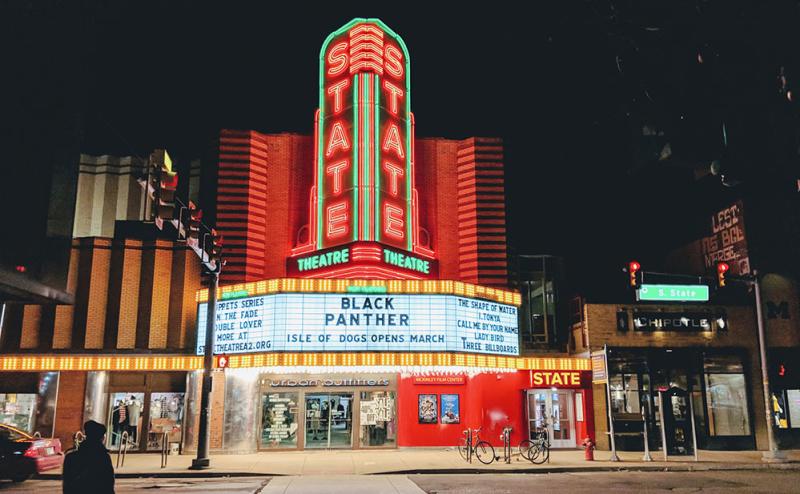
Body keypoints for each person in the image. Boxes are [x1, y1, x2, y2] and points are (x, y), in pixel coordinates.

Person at [63, 420, 115, 494]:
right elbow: (108, 485)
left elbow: (67, 487)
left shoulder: (70, 458)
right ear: (102, 438)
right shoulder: (103, 458)